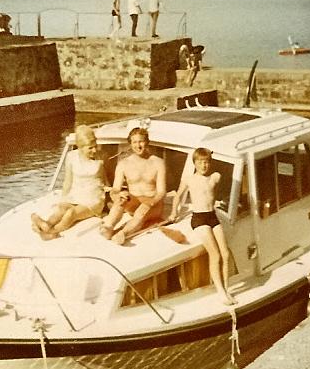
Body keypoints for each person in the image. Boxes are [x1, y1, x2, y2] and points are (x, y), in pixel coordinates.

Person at [169, 148, 236, 305]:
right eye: (200, 162)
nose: (204, 165)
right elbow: (177, 196)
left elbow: (218, 191)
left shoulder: (215, 177)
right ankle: (220, 292)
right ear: (195, 163)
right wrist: (174, 213)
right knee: (215, 255)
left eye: (206, 162)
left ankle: (226, 289)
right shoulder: (190, 179)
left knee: (225, 254)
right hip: (199, 218)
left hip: (212, 215)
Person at [31, 125, 107, 240]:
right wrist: (63, 199)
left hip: (93, 199)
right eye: (90, 148)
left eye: (95, 146)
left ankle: (51, 231)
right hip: (75, 195)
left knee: (71, 213)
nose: (95, 150)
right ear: (80, 147)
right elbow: (68, 181)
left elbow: (106, 180)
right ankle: (46, 224)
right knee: (61, 209)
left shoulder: (102, 157)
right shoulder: (71, 157)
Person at [100, 126, 166, 245]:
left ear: (147, 142)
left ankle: (123, 233)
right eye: (134, 142)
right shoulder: (123, 164)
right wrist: (118, 196)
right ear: (130, 144)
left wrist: (151, 202)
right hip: (134, 202)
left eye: (141, 141)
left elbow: (161, 192)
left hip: (153, 204)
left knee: (141, 211)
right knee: (122, 199)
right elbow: (115, 190)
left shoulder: (158, 162)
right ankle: (108, 227)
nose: (138, 145)